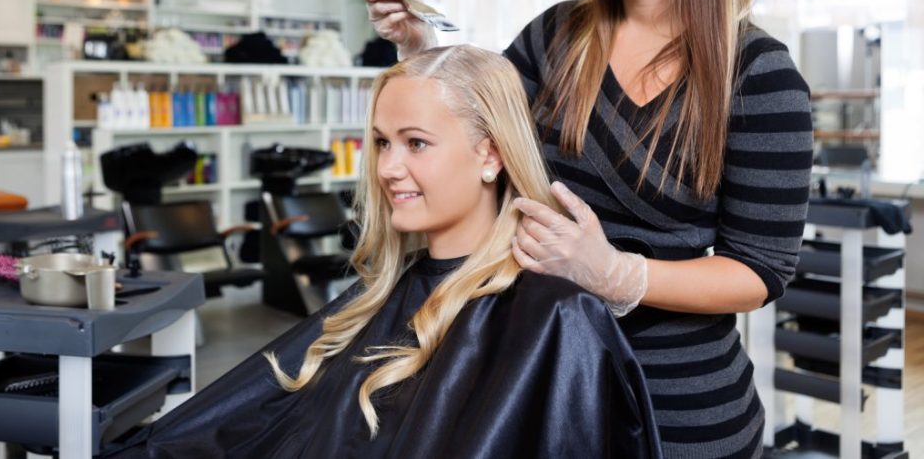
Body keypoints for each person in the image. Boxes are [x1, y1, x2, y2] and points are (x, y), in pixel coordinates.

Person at [359, 0, 813, 459]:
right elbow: (476, 140)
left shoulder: (760, 77)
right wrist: (420, 47)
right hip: (542, 395)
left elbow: (760, 270)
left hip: (683, 418)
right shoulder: (554, 39)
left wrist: (621, 274)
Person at [103, 45, 662, 459]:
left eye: (416, 142)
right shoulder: (379, 298)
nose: (388, 168)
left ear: (490, 156)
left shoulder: (557, 318)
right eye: (381, 142)